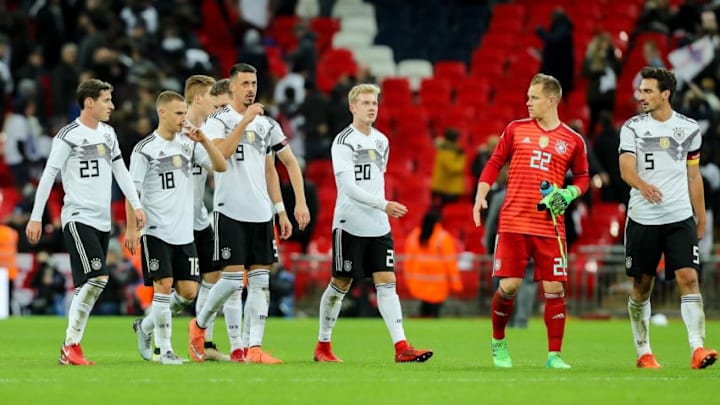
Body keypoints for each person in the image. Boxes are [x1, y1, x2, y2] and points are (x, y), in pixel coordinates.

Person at [188, 63, 310, 364]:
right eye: (244, 83)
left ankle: (254, 347)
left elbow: (287, 163)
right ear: (231, 87)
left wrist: (296, 204)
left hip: (260, 213)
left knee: (260, 283)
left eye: (253, 82)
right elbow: (221, 158)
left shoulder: (267, 124)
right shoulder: (218, 120)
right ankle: (199, 325)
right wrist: (244, 123)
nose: (250, 88)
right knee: (230, 282)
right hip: (230, 210)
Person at [472, 73, 590, 369]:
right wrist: (480, 195)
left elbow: (584, 177)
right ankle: (498, 343)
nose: (528, 102)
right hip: (513, 222)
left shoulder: (573, 140)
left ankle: (554, 356)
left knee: (555, 289)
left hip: (550, 226)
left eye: (533, 97)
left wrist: (570, 192)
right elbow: (494, 162)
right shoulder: (515, 129)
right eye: (528, 96)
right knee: (509, 286)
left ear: (552, 100)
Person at [25, 79, 146, 366]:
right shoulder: (68, 135)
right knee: (98, 278)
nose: (112, 106)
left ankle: (70, 348)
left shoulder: (108, 133)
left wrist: (137, 206)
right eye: (106, 100)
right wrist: (36, 216)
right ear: (89, 102)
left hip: (103, 220)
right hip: (78, 216)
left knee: (87, 286)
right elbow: (47, 176)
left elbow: (122, 172)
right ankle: (71, 346)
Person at [312, 83, 433, 363]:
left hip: (378, 225)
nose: (371, 108)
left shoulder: (382, 141)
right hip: (349, 222)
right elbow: (348, 188)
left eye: (375, 103)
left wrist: (381, 208)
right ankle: (323, 345)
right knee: (340, 283)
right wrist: (384, 204)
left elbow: (376, 182)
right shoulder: (343, 142)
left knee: (387, 282)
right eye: (365, 103)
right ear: (352, 107)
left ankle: (401, 346)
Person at [618, 67, 718, 369]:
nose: (640, 96)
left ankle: (697, 348)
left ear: (666, 94)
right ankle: (643, 351)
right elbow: (625, 168)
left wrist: (700, 216)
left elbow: (693, 176)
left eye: (647, 91)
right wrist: (642, 184)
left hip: (678, 216)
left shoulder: (688, 129)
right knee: (642, 286)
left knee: (688, 278)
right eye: (640, 90)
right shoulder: (632, 128)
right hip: (643, 217)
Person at [126, 90, 227, 365]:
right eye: (179, 113)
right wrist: (132, 229)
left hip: (184, 232)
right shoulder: (144, 149)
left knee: (188, 293)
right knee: (163, 285)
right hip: (156, 229)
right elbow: (131, 191)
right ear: (163, 113)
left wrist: (204, 139)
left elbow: (221, 166)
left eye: (185, 112)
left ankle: (145, 327)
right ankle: (166, 349)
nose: (184, 118)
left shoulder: (188, 145)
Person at [182, 76, 235, 362]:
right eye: (215, 103)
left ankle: (205, 342)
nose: (218, 109)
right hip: (174, 222)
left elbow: (218, 165)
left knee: (214, 276)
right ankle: (151, 329)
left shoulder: (204, 133)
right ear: (200, 99)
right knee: (180, 291)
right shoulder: (179, 132)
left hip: (199, 219)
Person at [403, 209, 462, 318]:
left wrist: (409, 281)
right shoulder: (443, 238)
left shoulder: (414, 236)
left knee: (424, 314)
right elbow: (450, 263)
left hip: (418, 284)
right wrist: (456, 285)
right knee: (434, 316)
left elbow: (408, 261)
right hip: (438, 287)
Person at [430, 128, 467, 208]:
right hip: (446, 189)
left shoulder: (447, 147)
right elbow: (453, 168)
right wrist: (462, 158)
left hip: (447, 188)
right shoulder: (447, 151)